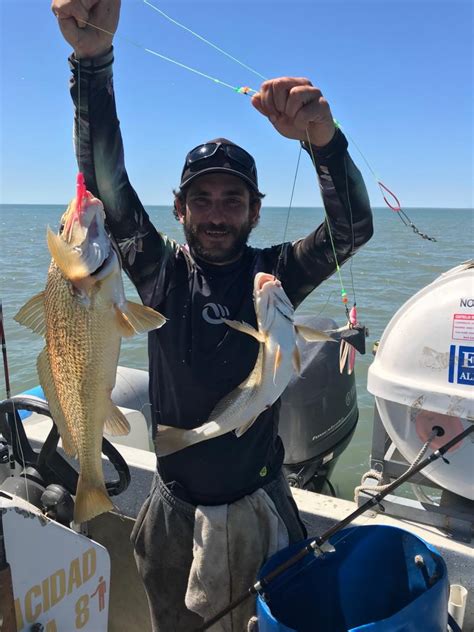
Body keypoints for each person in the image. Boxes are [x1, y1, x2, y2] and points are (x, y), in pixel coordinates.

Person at [52, 1, 374, 630]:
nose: (218, 213)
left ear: (255, 210)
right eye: (203, 199)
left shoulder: (275, 276)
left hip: (260, 501)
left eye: (233, 199)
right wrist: (92, 62)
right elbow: (108, 191)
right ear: (179, 209)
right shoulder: (160, 272)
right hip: (170, 508)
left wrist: (324, 143)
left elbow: (354, 226)